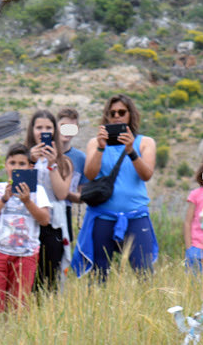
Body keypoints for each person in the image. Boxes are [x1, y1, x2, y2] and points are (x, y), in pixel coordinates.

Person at [71, 94, 158, 279]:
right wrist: (101, 148)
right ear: (107, 117)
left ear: (130, 115)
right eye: (112, 113)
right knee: (98, 274)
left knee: (144, 272)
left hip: (135, 215)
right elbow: (90, 174)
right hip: (103, 215)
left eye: (122, 112)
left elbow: (147, 174)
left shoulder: (145, 142)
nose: (117, 116)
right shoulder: (95, 143)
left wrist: (131, 151)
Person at [0, 143, 51, 312]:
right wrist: (4, 198)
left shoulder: (38, 191)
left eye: (21, 164)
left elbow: (45, 220)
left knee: (19, 305)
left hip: (26, 254)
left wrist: (27, 201)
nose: (16, 167)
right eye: (12, 163)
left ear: (30, 167)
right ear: (5, 165)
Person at [24, 110, 72, 291]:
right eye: (39, 127)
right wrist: (30, 162)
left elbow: (61, 194)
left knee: (49, 276)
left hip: (53, 224)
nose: (43, 131)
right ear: (32, 130)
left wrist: (52, 165)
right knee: (26, 276)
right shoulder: (23, 157)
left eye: (48, 128)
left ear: (54, 131)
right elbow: (21, 190)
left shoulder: (63, 161)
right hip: (28, 221)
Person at [57, 107, 87, 244]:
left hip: (65, 211)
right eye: (63, 126)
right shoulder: (43, 152)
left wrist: (63, 192)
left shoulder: (81, 158)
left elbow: (82, 196)